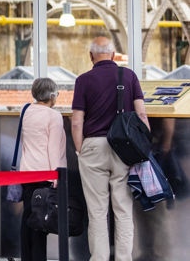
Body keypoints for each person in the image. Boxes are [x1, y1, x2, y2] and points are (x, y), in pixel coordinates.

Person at [71, 37, 149, 261]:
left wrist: (80, 150)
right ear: (114, 55)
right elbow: (141, 115)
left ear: (91, 56)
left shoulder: (83, 80)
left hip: (93, 147)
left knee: (97, 212)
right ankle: (124, 258)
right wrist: (143, 147)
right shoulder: (129, 76)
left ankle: (100, 258)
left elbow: (77, 121)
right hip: (124, 148)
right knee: (123, 209)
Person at [19, 77, 66, 261]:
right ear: (52, 96)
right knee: (40, 222)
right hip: (45, 174)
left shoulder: (26, 111)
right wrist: (57, 175)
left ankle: (27, 257)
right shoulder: (53, 116)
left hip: (26, 172)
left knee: (28, 218)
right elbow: (53, 148)